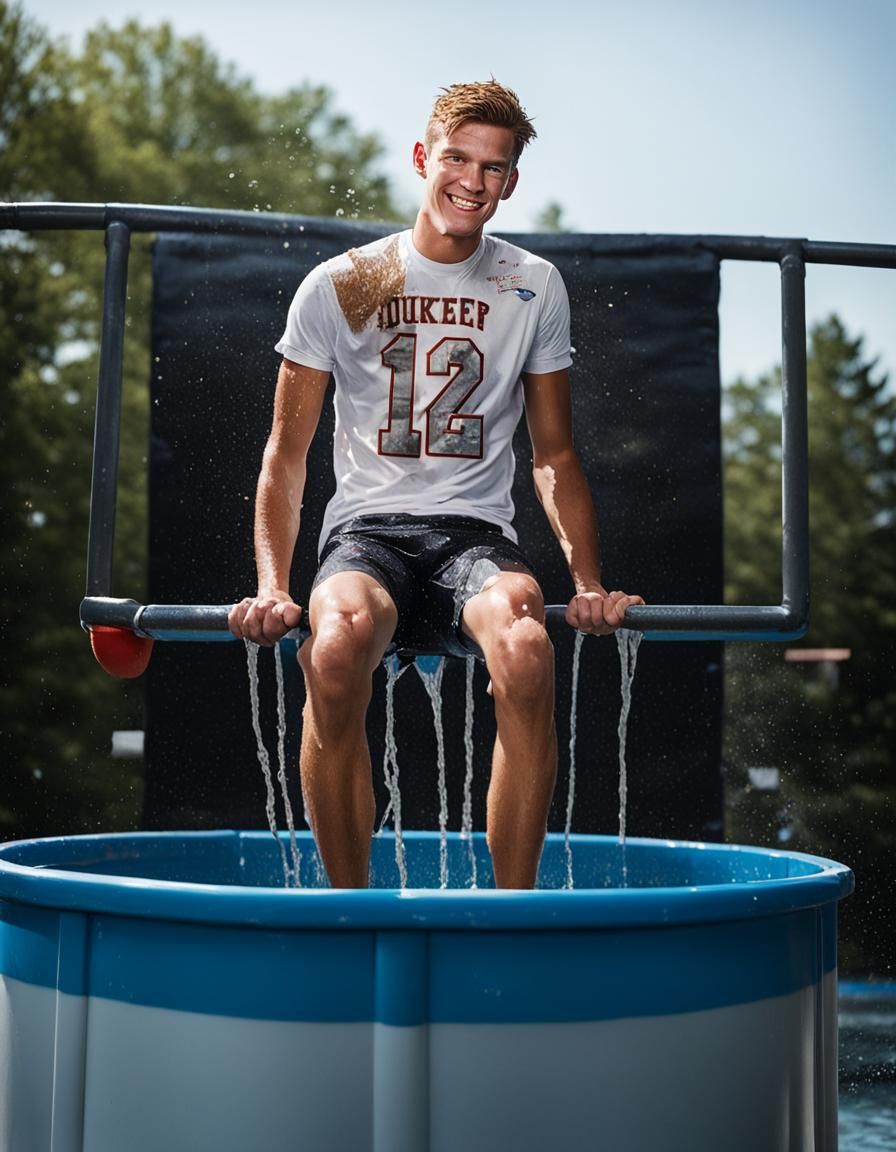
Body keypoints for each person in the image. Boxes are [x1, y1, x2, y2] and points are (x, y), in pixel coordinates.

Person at [229, 80, 643, 889]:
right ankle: (351, 909)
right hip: (369, 533)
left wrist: (588, 583)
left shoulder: (531, 285)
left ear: (510, 183)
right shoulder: (351, 280)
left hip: (472, 538)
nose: (472, 180)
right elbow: (286, 453)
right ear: (424, 159)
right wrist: (274, 586)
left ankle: (512, 914)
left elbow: (554, 456)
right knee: (335, 646)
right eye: (457, 158)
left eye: (494, 167)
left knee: (526, 646)